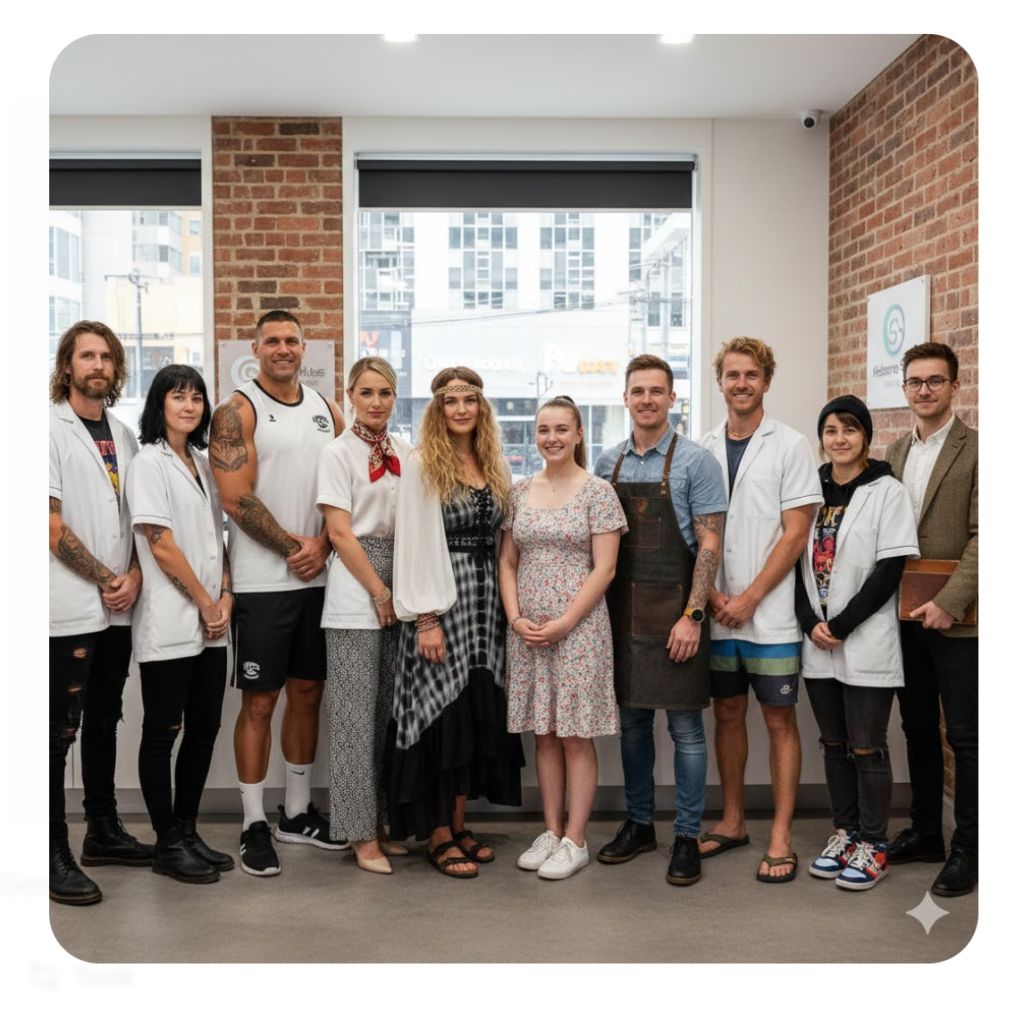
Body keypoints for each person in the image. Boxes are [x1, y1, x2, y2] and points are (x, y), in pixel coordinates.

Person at [209, 309, 346, 876]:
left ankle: (294, 813)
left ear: (304, 347)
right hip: (264, 584)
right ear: (255, 347)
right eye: (273, 341)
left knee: (308, 692)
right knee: (261, 702)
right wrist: (299, 548)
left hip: (321, 580)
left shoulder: (327, 410)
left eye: (292, 340)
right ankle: (252, 822)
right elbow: (236, 499)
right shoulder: (236, 410)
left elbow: (349, 487)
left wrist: (327, 546)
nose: (284, 349)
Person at [594, 355, 727, 887]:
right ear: (625, 398)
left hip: (678, 614)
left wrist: (693, 615)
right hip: (622, 613)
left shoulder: (697, 462)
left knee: (687, 729)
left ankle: (688, 835)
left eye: (657, 391)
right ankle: (640, 823)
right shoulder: (607, 464)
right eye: (637, 391)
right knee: (631, 726)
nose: (647, 399)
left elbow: (710, 544)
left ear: (673, 399)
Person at [390, 368, 525, 879]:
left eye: (470, 400)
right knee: (440, 714)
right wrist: (425, 618)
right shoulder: (423, 464)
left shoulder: (492, 463)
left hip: (485, 606)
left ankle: (461, 823)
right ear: (438, 409)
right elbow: (413, 542)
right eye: (451, 401)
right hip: (442, 604)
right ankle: (438, 833)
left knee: (473, 711)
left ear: (482, 408)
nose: (462, 409)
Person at [698, 337, 822, 883]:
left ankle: (780, 834)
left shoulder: (792, 446)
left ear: (767, 381)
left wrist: (749, 597)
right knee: (726, 714)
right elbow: (695, 532)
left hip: (768, 616)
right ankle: (732, 821)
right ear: (719, 382)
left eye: (751, 374)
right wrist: (713, 597)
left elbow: (797, 534)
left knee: (778, 721)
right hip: (719, 611)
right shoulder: (701, 448)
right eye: (732, 374)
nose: (741, 383)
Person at [499, 395, 627, 881]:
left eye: (561, 429)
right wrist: (515, 618)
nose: (551, 438)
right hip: (529, 631)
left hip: (579, 631)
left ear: (578, 434)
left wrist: (566, 622)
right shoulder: (519, 491)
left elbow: (606, 568)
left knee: (575, 734)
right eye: (543, 429)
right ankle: (550, 832)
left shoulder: (598, 493)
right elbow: (508, 561)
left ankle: (576, 839)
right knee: (545, 733)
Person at [48, 321, 154, 906]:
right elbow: (50, 526)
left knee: (105, 717)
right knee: (55, 733)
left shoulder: (123, 433)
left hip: (118, 604)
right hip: (69, 606)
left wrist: (134, 574)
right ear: (68, 366)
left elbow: (134, 519)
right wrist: (109, 578)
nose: (98, 365)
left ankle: (103, 831)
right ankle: (50, 851)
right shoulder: (46, 429)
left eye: (107, 357)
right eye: (87, 356)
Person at [794, 395, 919, 890]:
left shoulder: (886, 491)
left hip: (862, 636)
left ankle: (874, 843)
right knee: (833, 743)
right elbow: (796, 564)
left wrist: (841, 625)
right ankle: (844, 832)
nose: (839, 439)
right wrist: (809, 622)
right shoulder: (810, 490)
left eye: (849, 429)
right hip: (818, 639)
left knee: (867, 747)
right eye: (830, 431)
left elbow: (889, 569)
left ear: (865, 435)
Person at [127, 365, 235, 885]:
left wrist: (227, 596)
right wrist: (204, 601)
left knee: (205, 729)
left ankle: (188, 830)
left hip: (212, 621)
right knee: (161, 734)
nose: (189, 406)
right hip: (172, 621)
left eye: (196, 397)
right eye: (178, 396)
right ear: (160, 404)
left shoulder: (200, 461)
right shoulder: (148, 463)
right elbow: (160, 542)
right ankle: (166, 842)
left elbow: (219, 539)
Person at [884, 342, 978, 897]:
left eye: (935, 381)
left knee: (964, 736)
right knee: (916, 727)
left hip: (958, 619)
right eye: (915, 382)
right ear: (904, 389)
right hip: (902, 615)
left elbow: (985, 537)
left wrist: (951, 600)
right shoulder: (894, 452)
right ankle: (925, 832)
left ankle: (968, 848)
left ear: (954, 387)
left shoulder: (980, 450)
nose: (924, 390)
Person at [318, 356, 410, 875]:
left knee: (384, 717)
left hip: (402, 577)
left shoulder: (405, 451)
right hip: (359, 584)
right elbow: (339, 532)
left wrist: (404, 590)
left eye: (386, 393)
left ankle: (377, 820)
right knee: (353, 718)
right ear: (350, 395)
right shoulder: (337, 453)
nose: (377, 402)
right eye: (367, 392)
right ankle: (357, 834)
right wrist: (379, 591)